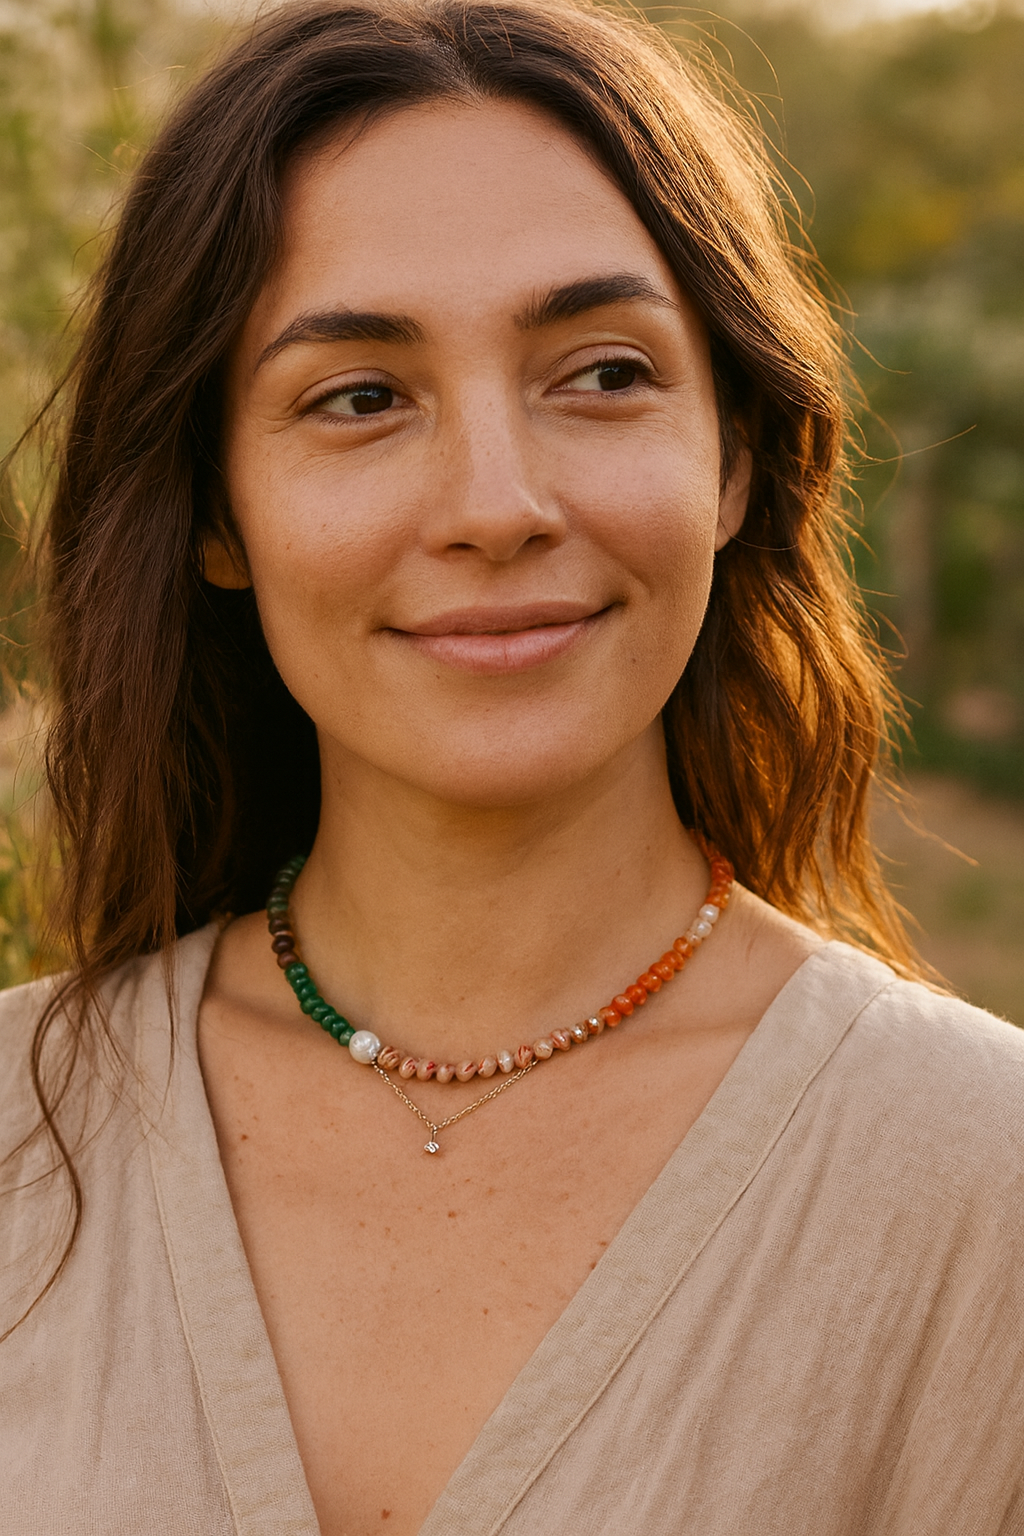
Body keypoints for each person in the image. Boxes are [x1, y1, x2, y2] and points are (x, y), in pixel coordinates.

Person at [2, 0, 1022, 1531]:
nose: (497, 503)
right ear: (216, 513)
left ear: (734, 460)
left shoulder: (983, 1188)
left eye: (602, 373)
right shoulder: (23, 1136)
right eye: (360, 397)